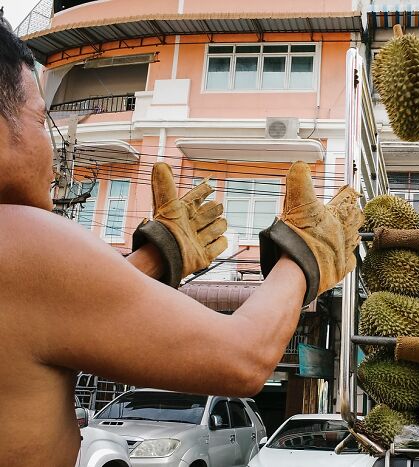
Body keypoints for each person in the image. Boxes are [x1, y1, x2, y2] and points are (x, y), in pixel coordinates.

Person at [0, 26, 363, 467]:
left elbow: (61, 308)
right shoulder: (21, 238)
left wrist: (158, 257)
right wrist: (306, 255)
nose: (51, 147)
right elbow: (243, 357)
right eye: (40, 120)